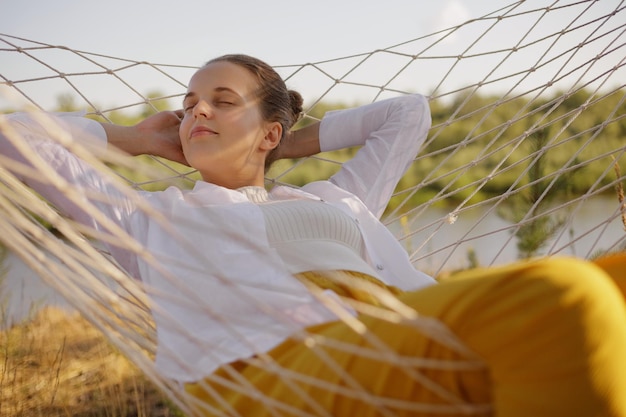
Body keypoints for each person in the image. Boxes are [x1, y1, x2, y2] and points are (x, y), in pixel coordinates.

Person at [1, 54, 625, 417]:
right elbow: (12, 142)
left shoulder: (335, 198)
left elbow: (407, 113)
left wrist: (290, 143)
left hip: (397, 325)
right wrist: (133, 138)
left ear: (269, 133)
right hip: (281, 366)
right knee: (564, 302)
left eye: (221, 101)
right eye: (189, 104)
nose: (197, 112)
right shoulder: (149, 219)